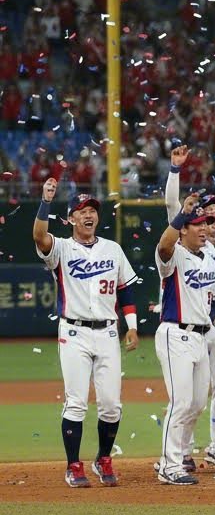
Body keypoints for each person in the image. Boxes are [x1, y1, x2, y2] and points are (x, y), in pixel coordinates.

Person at [33, 178, 140, 488]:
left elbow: (126, 292)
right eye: (81, 210)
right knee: (76, 402)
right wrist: (45, 201)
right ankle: (73, 465)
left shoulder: (113, 249)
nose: (89, 214)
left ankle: (103, 458)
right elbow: (39, 236)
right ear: (70, 219)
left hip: (108, 333)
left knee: (111, 404)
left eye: (92, 209)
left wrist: (132, 328)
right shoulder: (62, 249)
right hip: (74, 333)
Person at [164, 144, 215, 472]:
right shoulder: (185, 246)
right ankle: (181, 450)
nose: (212, 222)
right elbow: (172, 207)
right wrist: (175, 171)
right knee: (189, 395)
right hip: (191, 323)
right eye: (206, 217)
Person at [154, 194, 215, 485]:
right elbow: (163, 245)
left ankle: (178, 456)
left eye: (205, 222)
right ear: (183, 229)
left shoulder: (208, 259)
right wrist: (181, 213)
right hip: (175, 333)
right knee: (180, 402)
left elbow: (209, 299)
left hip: (200, 337)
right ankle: (169, 465)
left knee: (197, 405)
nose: (203, 228)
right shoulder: (175, 254)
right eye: (196, 224)